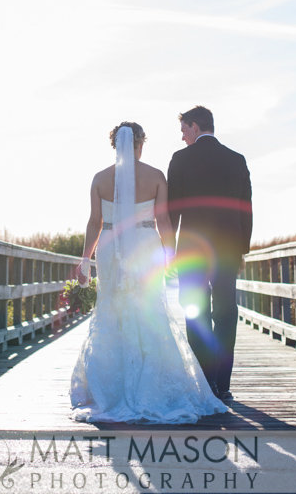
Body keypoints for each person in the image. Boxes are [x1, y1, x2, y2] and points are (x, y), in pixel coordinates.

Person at [69, 121, 226, 424]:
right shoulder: (155, 176)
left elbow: (94, 223)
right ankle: (151, 386)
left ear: (115, 145)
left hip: (110, 248)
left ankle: (108, 389)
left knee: (112, 312)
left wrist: (85, 260)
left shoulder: (100, 178)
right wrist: (170, 255)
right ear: (140, 144)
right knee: (150, 312)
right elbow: (163, 220)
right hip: (145, 249)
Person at [167, 105, 252, 401]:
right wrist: (243, 250)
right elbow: (246, 209)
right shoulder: (236, 160)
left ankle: (205, 381)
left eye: (183, 131)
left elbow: (172, 211)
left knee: (195, 310)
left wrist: (170, 251)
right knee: (227, 312)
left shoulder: (180, 160)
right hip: (228, 250)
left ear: (194, 126)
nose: (182, 138)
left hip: (192, 252)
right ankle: (223, 383)